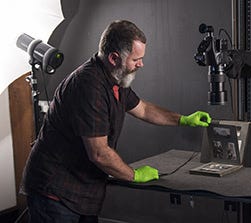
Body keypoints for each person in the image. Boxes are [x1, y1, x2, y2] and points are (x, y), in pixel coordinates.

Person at [20, 20, 212, 223]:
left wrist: (184, 119)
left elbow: (144, 109)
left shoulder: (116, 79)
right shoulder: (89, 86)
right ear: (114, 58)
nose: (141, 64)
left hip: (81, 193)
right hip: (55, 192)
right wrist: (133, 175)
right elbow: (99, 153)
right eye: (136, 59)